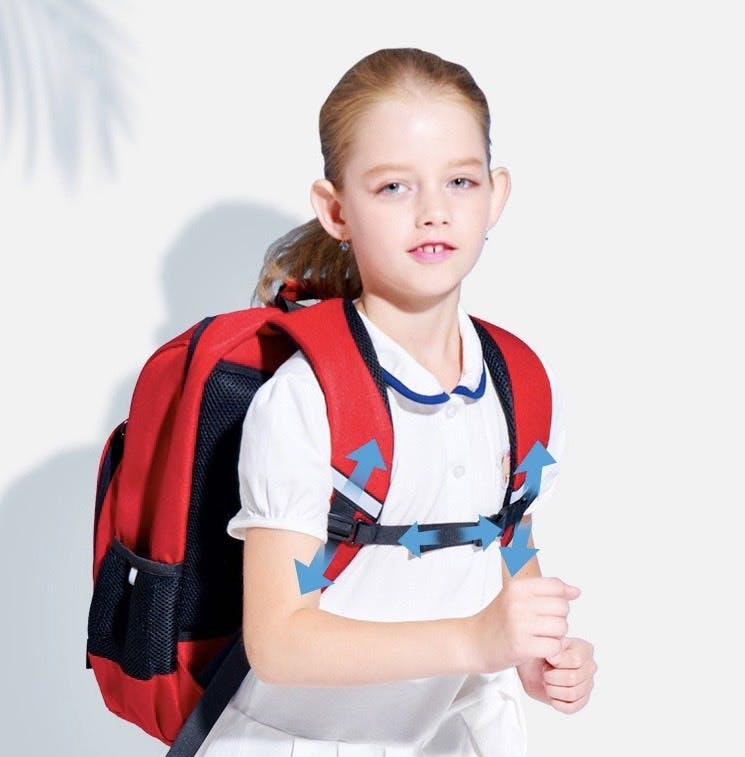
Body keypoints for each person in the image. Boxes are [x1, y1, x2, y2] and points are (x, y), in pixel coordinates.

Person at [195, 47, 597, 757]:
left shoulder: (520, 380)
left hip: (455, 737)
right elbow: (279, 640)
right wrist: (475, 639)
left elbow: (507, 534)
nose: (433, 212)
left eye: (460, 181)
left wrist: (537, 653)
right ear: (335, 210)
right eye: (392, 188)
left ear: (496, 194)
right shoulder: (305, 400)